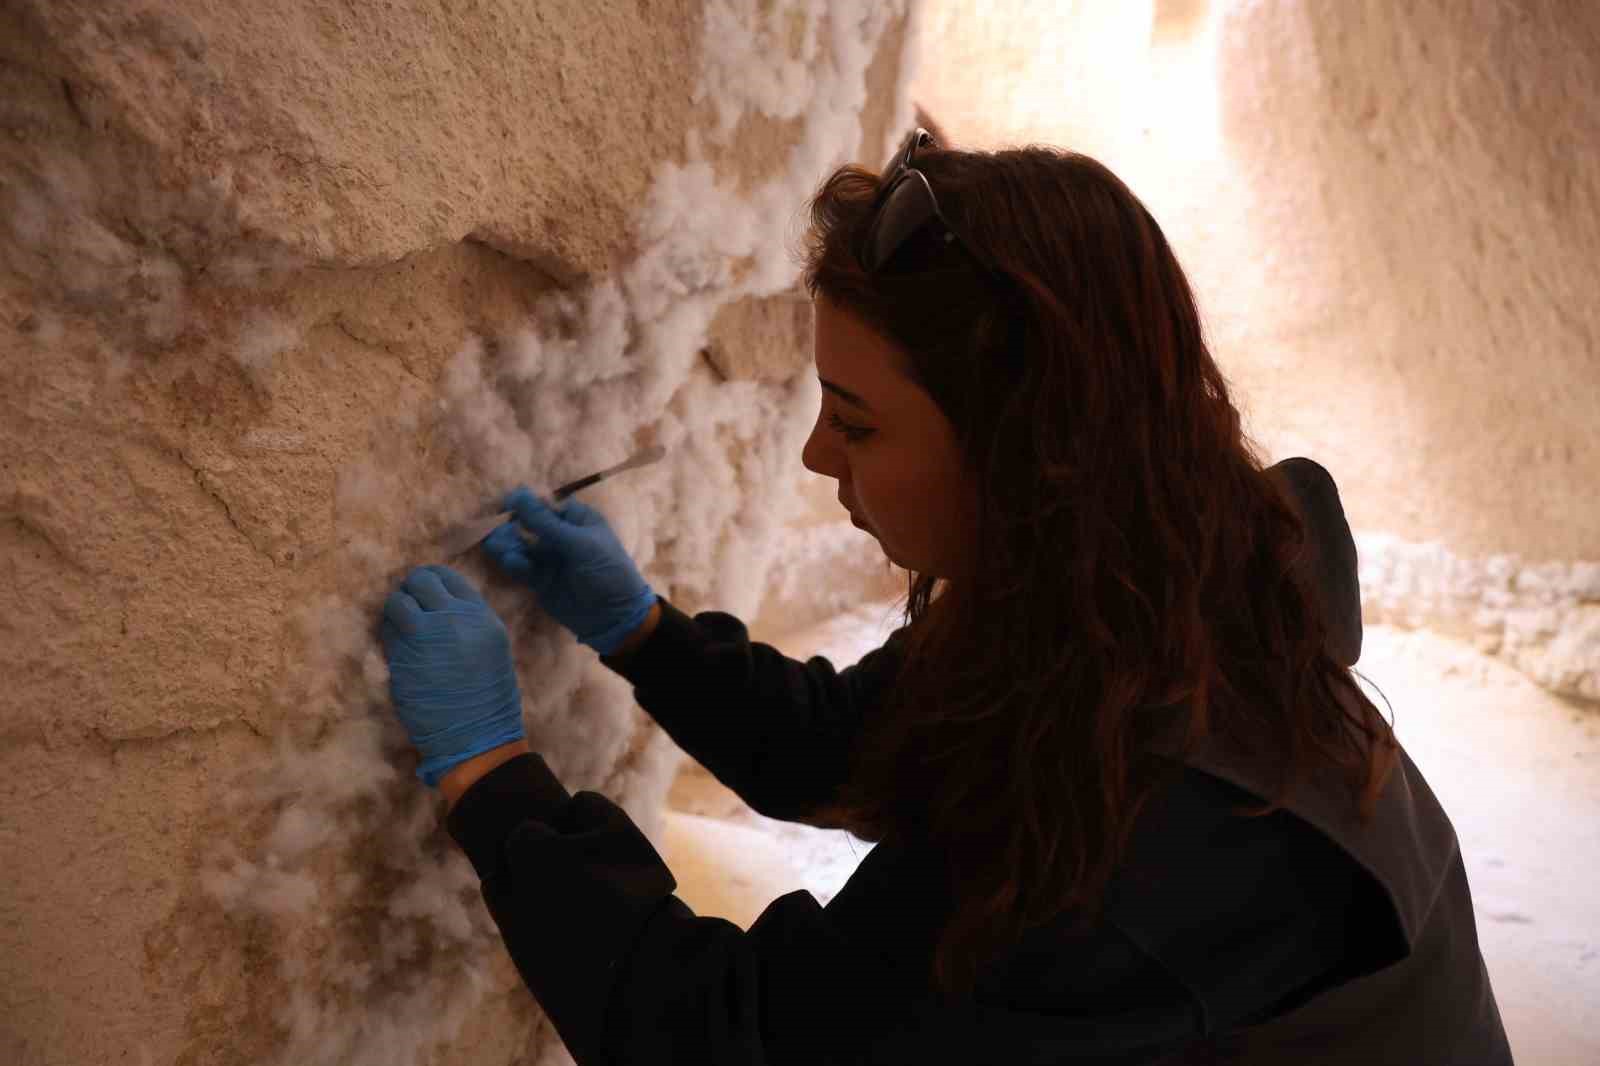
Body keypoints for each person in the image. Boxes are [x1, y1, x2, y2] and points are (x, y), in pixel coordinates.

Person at [379, 130, 1512, 1065]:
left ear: (1025, 450)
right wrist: (641, 630)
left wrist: (490, 777)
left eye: (859, 420)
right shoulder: (1127, 582)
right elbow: (848, 748)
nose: (821, 454)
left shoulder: (1135, 848)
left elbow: (742, 1044)